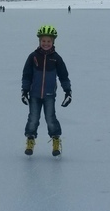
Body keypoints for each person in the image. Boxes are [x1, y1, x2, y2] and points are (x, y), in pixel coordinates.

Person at [21, 24, 72, 156]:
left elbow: (63, 76)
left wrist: (68, 91)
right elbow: (26, 75)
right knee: (33, 118)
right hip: (34, 94)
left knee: (50, 118)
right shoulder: (33, 57)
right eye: (43, 41)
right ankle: (30, 140)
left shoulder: (56, 58)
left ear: (53, 42)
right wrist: (24, 91)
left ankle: (55, 140)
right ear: (39, 41)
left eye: (48, 41)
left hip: (49, 94)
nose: (46, 43)